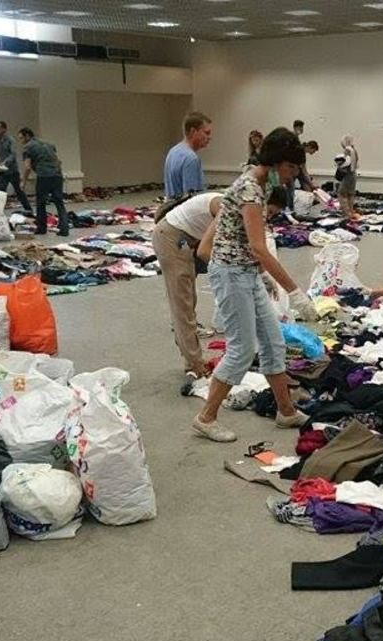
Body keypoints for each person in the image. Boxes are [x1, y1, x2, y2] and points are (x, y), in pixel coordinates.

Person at [190, 128, 317, 443]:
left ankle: (285, 411)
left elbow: (246, 241)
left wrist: (261, 275)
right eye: (290, 167)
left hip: (246, 271)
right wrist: (295, 292)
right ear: (276, 162)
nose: (291, 175)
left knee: (273, 343)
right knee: (242, 349)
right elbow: (260, 247)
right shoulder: (250, 189)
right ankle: (206, 418)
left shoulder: (261, 184)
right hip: (231, 274)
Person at [154, 187, 290, 384]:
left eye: (273, 215)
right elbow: (204, 251)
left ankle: (190, 353)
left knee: (188, 301)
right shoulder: (230, 208)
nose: (267, 218)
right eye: (269, 211)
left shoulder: (246, 212)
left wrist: (263, 275)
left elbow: (249, 248)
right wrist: (231, 271)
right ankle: (194, 364)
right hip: (172, 238)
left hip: (190, 238)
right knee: (183, 304)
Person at [18, 127, 68, 236]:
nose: (20, 141)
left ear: (27, 136)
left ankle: (41, 228)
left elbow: (27, 167)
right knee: (59, 202)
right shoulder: (49, 144)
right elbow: (58, 161)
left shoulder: (28, 147)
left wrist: (23, 181)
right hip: (57, 175)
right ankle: (64, 229)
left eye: (21, 138)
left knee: (41, 203)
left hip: (43, 176)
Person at [164, 112, 212, 199]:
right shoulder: (191, 158)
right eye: (206, 133)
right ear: (193, 131)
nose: (209, 137)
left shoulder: (173, 152)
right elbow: (192, 199)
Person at [0, 121, 32, 215]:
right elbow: (1, 156)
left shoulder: (10, 140)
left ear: (4, 129)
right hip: (2, 171)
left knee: (19, 191)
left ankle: (28, 209)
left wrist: (5, 162)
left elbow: (13, 154)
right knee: (0, 192)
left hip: (12, 171)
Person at [336, 135, 359, 220]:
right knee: (350, 194)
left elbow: (345, 162)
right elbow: (356, 160)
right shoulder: (354, 150)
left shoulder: (347, 150)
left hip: (347, 175)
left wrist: (338, 164)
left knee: (341, 194)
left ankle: (346, 213)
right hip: (353, 174)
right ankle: (351, 212)